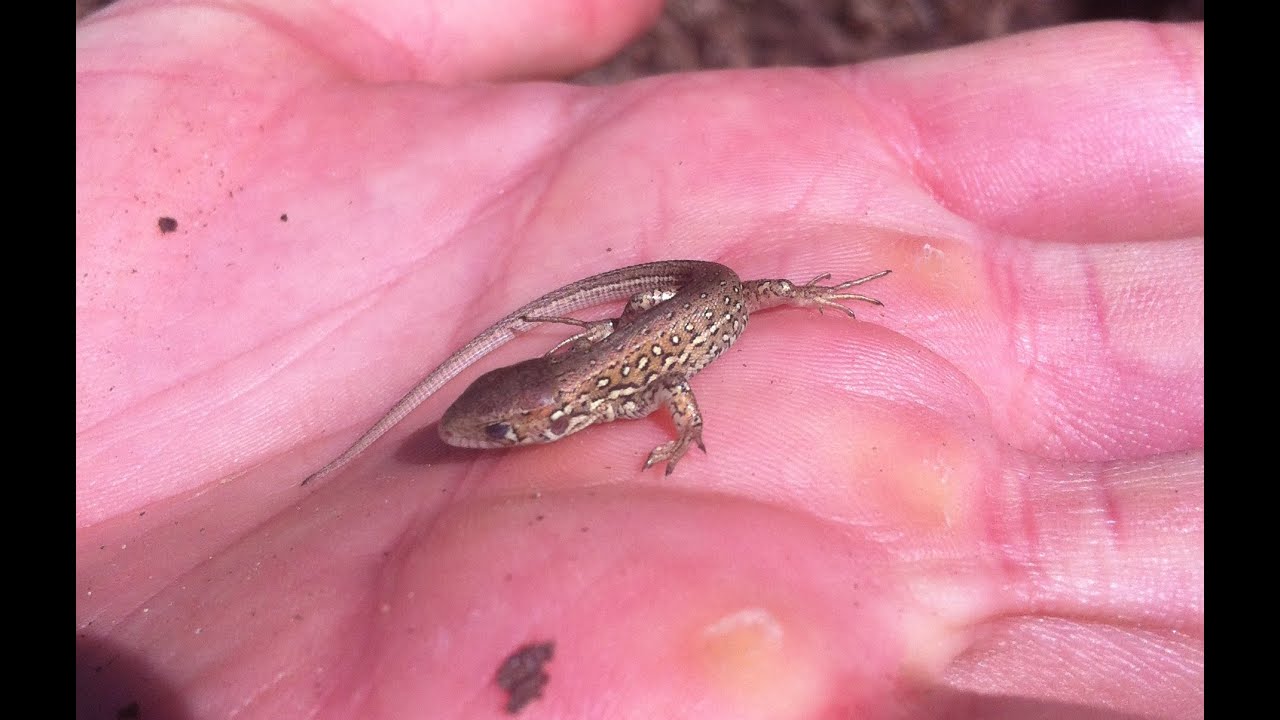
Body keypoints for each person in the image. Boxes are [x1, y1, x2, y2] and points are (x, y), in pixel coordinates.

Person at [76, 4, 1203, 717]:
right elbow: (629, 371)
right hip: (663, 306)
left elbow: (670, 373)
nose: (485, 438)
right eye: (495, 420)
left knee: (733, 304)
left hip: (697, 297)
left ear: (557, 418)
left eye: (504, 427)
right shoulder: (604, 378)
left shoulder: (636, 381)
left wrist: (698, 425)